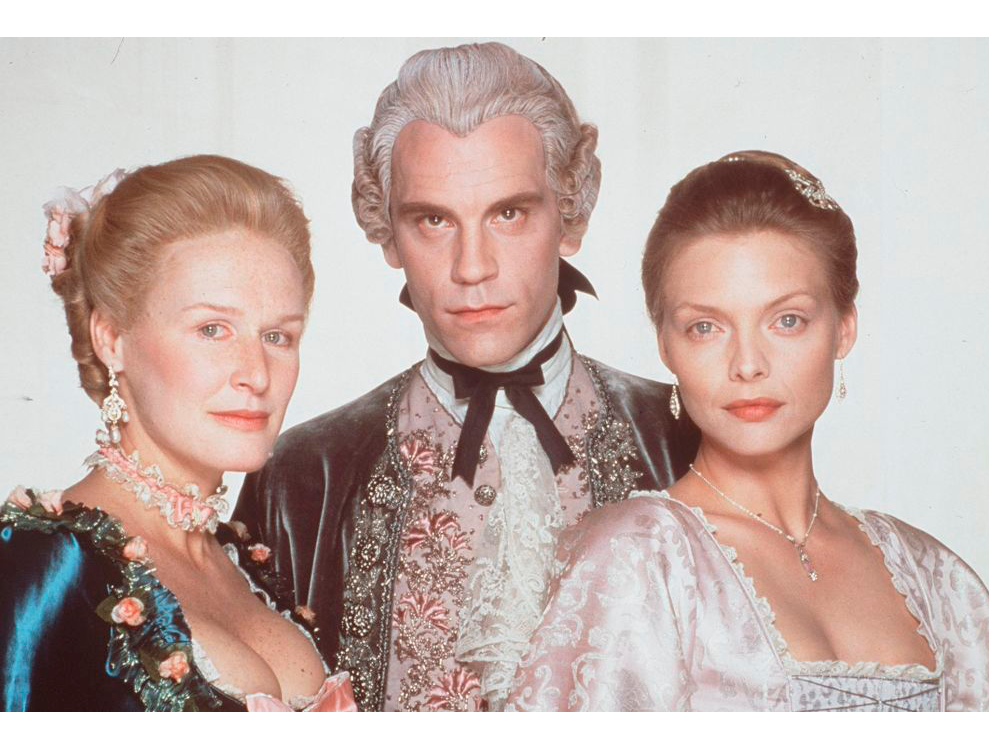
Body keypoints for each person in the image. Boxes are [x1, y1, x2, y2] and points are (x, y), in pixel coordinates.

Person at [231, 42, 700, 712]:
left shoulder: (687, 438)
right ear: (387, 232)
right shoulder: (304, 474)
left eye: (509, 214)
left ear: (569, 214)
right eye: (433, 220)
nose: (472, 266)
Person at [508, 150, 989, 711]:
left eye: (787, 320)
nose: (748, 364)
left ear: (844, 328)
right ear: (666, 345)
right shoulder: (641, 556)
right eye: (706, 327)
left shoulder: (933, 577)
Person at [0, 155, 355, 711]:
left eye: (278, 336)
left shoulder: (241, 560)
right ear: (111, 338)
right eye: (212, 329)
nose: (256, 374)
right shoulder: (46, 563)